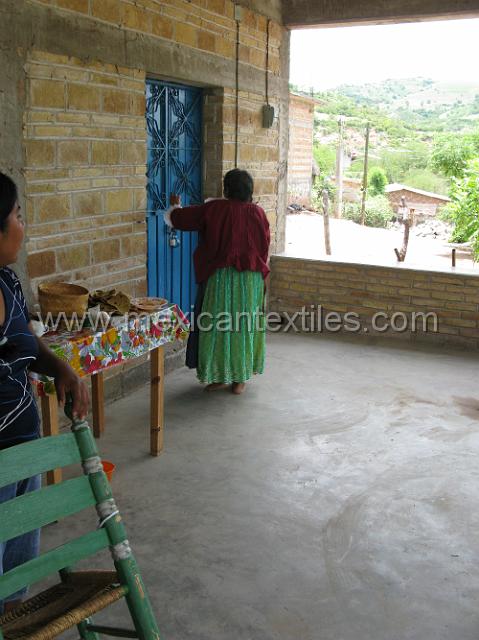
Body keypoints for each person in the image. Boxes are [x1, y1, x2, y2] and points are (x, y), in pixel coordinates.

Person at [0, 172, 89, 614]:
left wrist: (61, 369)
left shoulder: (8, 281)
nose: (23, 225)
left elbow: (25, 342)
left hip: (23, 445)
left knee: (14, 575)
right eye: (17, 215)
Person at [164, 169, 270, 395]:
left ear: (227, 189)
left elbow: (181, 219)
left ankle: (221, 375)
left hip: (221, 279)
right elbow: (264, 246)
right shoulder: (258, 213)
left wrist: (175, 206)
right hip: (251, 280)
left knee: (218, 326)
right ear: (249, 191)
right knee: (242, 326)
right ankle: (238, 379)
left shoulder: (215, 209)